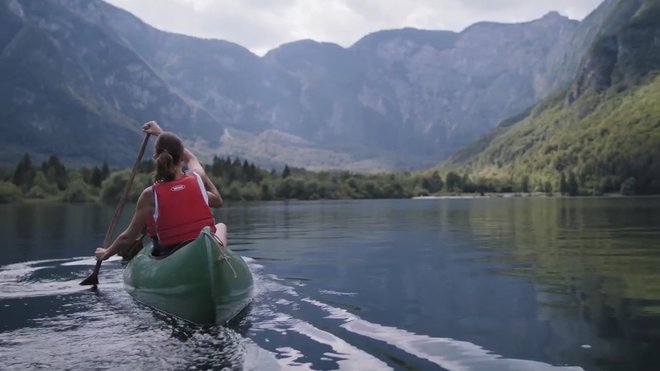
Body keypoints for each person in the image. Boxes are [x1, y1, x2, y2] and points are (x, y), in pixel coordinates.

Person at [94, 121, 227, 260]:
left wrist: (106, 252)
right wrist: (160, 133)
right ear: (181, 158)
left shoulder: (149, 194)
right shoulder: (198, 176)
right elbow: (191, 158)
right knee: (221, 226)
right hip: (199, 246)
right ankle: (218, 255)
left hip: (169, 253)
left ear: (155, 158)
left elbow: (127, 238)